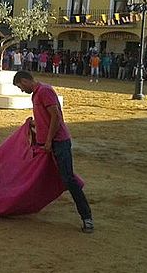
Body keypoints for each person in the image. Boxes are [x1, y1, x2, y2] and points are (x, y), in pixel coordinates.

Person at [13, 70, 95, 233]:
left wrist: (49, 140)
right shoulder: (37, 94)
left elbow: (56, 117)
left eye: (20, 86)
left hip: (58, 143)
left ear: (24, 80)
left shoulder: (44, 91)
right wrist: (34, 124)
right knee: (42, 175)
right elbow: (47, 119)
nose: (21, 90)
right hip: (47, 144)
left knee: (68, 179)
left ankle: (87, 218)